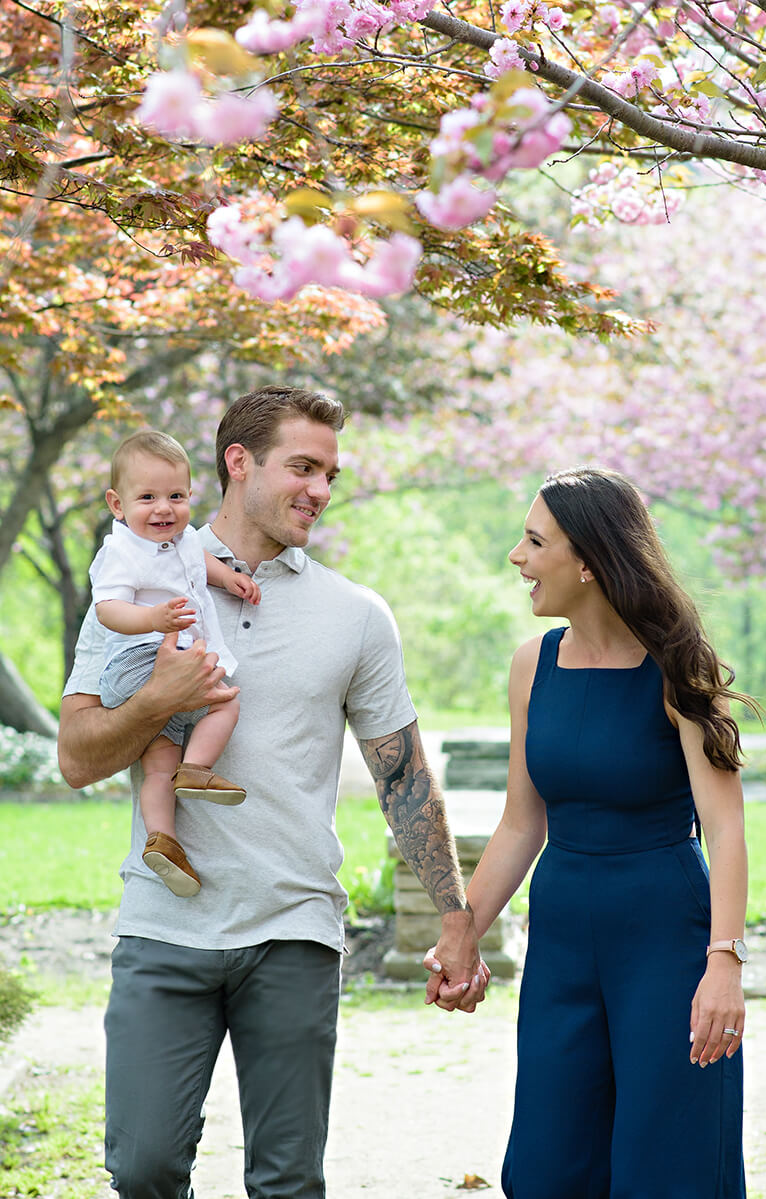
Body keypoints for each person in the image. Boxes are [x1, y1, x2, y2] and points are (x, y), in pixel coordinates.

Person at [58, 385, 484, 1199]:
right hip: (165, 924)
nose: (320, 489)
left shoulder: (355, 614)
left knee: (289, 1182)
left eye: (329, 473)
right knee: (143, 1168)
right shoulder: (136, 594)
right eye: (302, 466)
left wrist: (456, 918)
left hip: (293, 928)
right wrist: (157, 698)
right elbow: (76, 759)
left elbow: (402, 774)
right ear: (239, 463)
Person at [425, 467, 753, 1198]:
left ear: (589, 562)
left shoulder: (676, 668)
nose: (517, 556)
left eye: (534, 541)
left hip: (665, 938)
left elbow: (725, 828)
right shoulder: (530, 667)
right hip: (564, 938)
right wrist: (463, 929)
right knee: (549, 1163)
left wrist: (723, 961)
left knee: (667, 1162)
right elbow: (521, 821)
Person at [91, 429, 261, 897]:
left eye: (175, 496)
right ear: (117, 504)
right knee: (224, 700)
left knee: (157, 760)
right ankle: (199, 768)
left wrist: (229, 578)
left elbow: (198, 561)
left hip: (156, 667)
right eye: (147, 497)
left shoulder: (184, 540)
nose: (163, 508)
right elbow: (107, 608)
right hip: (141, 659)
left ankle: (162, 840)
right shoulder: (121, 550)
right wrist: (152, 617)